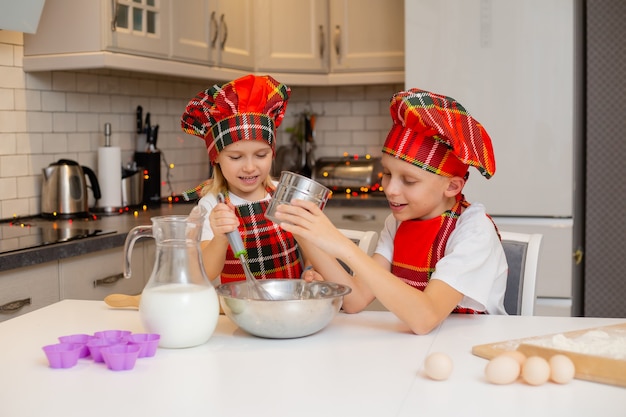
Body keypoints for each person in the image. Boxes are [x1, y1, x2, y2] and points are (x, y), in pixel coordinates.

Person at [274, 88, 508, 335]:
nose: (390, 189)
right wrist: (304, 232)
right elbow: (354, 300)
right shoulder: (397, 223)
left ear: (451, 186)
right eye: (386, 173)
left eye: (408, 180)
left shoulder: (473, 230)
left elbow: (424, 318)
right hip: (415, 351)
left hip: (469, 350)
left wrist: (341, 244)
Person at [180, 74, 305, 283]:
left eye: (261, 155)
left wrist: (311, 269)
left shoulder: (283, 194)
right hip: (240, 311)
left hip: (291, 307)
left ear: (272, 152)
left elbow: (309, 247)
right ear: (216, 157)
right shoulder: (211, 206)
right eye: (236, 157)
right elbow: (204, 274)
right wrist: (220, 238)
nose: (249, 167)